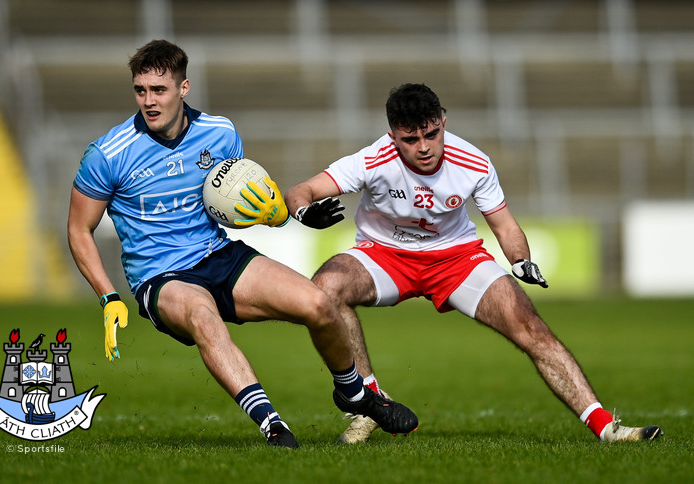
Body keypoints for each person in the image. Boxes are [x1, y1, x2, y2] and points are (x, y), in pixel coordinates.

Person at [66, 40, 418, 448]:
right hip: (160, 276)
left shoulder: (220, 133)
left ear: (184, 88)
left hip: (219, 255)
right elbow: (79, 229)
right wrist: (108, 296)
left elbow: (241, 203)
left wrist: (289, 215)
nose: (148, 100)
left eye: (159, 90)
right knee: (203, 317)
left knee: (318, 304)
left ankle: (354, 395)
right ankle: (273, 425)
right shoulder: (108, 154)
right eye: (140, 90)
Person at [285, 83, 663, 444]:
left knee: (531, 327)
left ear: (443, 121)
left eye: (431, 134)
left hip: (456, 259)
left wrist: (520, 260)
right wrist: (304, 211)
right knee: (325, 288)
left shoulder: (473, 162)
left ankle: (607, 429)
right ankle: (369, 403)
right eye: (410, 139)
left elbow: (506, 226)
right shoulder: (373, 159)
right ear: (392, 135)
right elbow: (301, 191)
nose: (424, 147)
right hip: (384, 255)